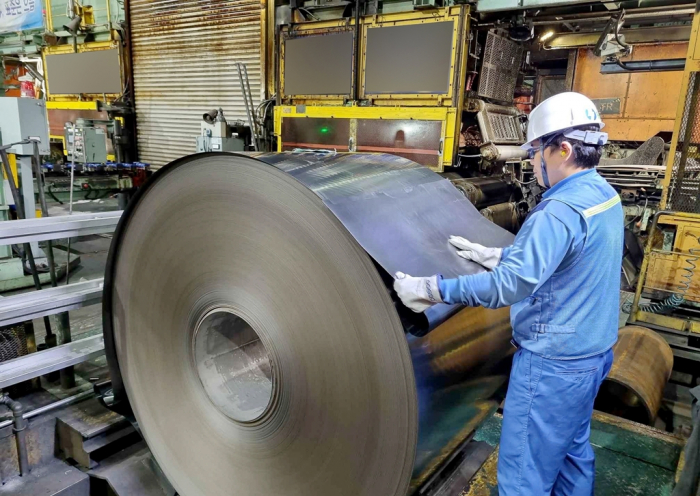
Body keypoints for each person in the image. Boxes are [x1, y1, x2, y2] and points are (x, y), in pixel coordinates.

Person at [394, 92, 623, 496]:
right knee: (571, 454)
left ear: (563, 149)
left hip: (553, 366)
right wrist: (499, 254)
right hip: (592, 357)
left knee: (523, 476)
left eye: (536, 151)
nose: (532, 162)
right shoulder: (602, 195)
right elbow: (567, 260)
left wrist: (432, 289)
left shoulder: (558, 210)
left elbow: (508, 287)